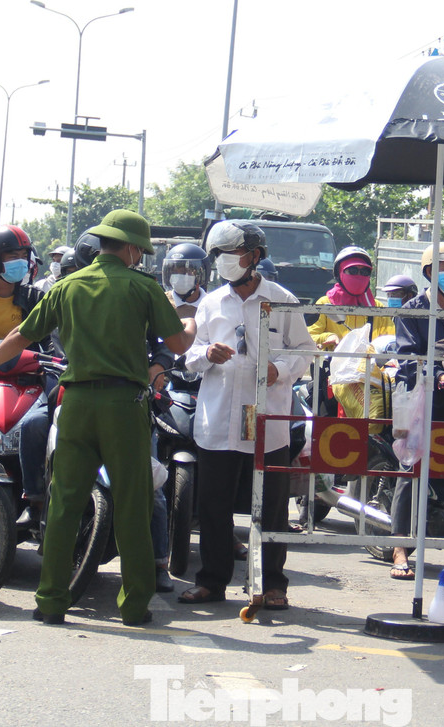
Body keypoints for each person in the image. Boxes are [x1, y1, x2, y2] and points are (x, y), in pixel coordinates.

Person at [0, 209, 194, 627]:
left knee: (65, 501)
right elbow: (175, 342)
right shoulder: (142, 287)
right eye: (139, 249)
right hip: (124, 407)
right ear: (132, 248)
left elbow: (21, 336)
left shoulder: (66, 286)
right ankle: (134, 606)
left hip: (76, 404)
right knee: (132, 504)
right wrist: (192, 326)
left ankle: (50, 601)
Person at [178, 221, 315, 611]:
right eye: (217, 256)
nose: (223, 262)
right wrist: (206, 355)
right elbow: (189, 356)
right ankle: (212, 581)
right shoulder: (210, 303)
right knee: (214, 505)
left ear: (254, 257)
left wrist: (280, 370)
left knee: (271, 505)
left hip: (267, 418)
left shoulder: (282, 299)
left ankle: (273, 584)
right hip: (218, 418)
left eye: (230, 254)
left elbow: (304, 350)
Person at [385, 243, 444, 580]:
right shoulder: (412, 311)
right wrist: (439, 377)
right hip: (421, 400)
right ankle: (400, 549)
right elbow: (407, 359)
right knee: (412, 470)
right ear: (430, 273)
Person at [308, 246, 395, 421]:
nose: (359, 275)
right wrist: (328, 338)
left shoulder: (377, 308)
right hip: (333, 379)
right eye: (352, 270)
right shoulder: (326, 304)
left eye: (365, 272)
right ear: (339, 273)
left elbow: (392, 341)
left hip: (372, 381)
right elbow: (308, 336)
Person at [162, 242, 209, 318]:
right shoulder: (160, 303)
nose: (178, 277)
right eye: (174, 272)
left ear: (198, 276)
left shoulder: (212, 304)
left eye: (184, 272)